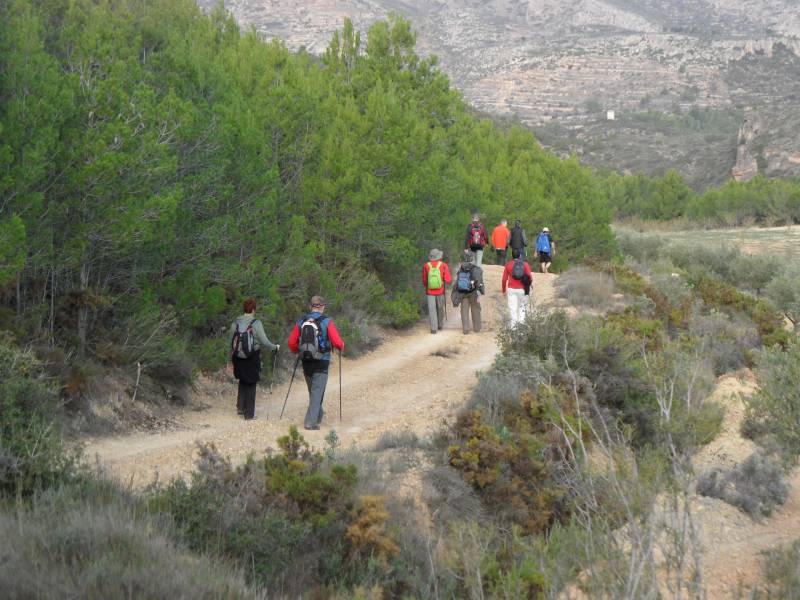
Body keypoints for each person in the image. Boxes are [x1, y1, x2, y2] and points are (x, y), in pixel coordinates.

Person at [288, 295, 345, 430]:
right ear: (323, 307)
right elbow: (337, 342)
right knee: (317, 391)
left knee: (314, 390)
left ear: (310, 306)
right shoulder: (327, 321)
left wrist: (298, 351)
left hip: (306, 360)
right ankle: (310, 422)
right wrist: (342, 345)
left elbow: (291, 342)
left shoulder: (301, 321)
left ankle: (318, 414)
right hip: (321, 361)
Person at [228, 298, 279, 420]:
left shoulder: (235, 322)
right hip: (252, 356)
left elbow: (230, 341)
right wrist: (275, 347)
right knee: (251, 382)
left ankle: (240, 408)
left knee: (242, 379)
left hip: (237, 356)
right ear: (254, 310)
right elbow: (264, 341)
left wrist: (229, 358)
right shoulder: (256, 323)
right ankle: (249, 414)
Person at [451, 250, 485, 335]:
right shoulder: (476, 269)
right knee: (475, 308)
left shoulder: (461, 269)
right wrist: (481, 291)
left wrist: (455, 293)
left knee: (464, 309)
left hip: (462, 292)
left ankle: (465, 329)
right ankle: (477, 328)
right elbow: (479, 282)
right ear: (472, 259)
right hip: (473, 292)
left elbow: (457, 282)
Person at [422, 248, 452, 334]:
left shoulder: (426, 266)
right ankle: (440, 325)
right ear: (439, 256)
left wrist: (427, 286)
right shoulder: (443, 265)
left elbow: (424, 280)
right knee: (440, 308)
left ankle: (433, 328)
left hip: (429, 291)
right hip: (440, 290)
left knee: (432, 309)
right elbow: (448, 279)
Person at [502, 249, 533, 327]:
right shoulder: (525, 264)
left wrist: (503, 291)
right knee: (522, 309)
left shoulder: (508, 265)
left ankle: (513, 328)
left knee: (513, 309)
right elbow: (530, 278)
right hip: (522, 289)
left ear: (512, 256)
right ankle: (521, 329)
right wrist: (528, 287)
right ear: (520, 255)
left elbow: (504, 279)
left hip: (511, 289)